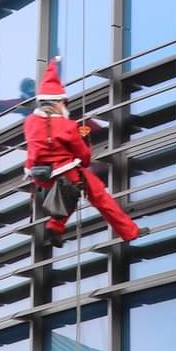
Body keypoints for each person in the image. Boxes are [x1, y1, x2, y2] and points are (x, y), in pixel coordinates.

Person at [24, 57, 140, 243]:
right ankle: (130, 232)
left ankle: (56, 225)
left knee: (69, 192)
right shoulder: (67, 125)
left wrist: (31, 170)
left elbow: (32, 148)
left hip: (40, 175)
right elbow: (83, 155)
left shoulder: (29, 122)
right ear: (58, 102)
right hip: (66, 172)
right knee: (100, 197)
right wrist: (84, 154)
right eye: (64, 103)